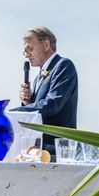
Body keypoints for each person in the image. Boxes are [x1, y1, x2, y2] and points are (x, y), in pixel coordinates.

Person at [10, 26, 78, 154]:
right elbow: (37, 115)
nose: (26, 54)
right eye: (24, 51)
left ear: (46, 45)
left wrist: (14, 113)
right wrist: (27, 102)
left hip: (59, 150)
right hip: (38, 150)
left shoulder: (63, 66)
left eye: (29, 48)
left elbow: (52, 104)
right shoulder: (37, 79)